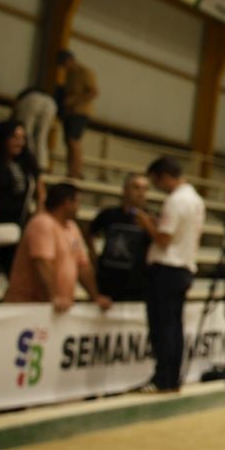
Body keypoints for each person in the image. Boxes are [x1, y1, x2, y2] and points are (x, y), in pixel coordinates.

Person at [144, 157, 205, 392]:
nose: (158, 187)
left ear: (165, 176)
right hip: (183, 267)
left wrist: (146, 223)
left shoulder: (176, 201)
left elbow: (163, 238)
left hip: (167, 268)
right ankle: (171, 378)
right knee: (174, 327)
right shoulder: (196, 200)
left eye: (157, 181)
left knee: (162, 327)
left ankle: (163, 378)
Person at [6, 183, 112, 313]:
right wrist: (54, 296)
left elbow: (82, 265)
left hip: (60, 305)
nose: (79, 207)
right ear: (67, 202)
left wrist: (95, 296)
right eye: (78, 202)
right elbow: (42, 263)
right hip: (30, 306)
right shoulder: (42, 223)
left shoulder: (72, 227)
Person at [0, 119, 43, 301]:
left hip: (17, 226)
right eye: (14, 137)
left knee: (18, 277)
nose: (19, 142)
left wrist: (38, 214)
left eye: (22, 138)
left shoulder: (26, 163)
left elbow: (39, 189)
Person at [88, 174, 154, 302]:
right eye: (136, 188)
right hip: (109, 279)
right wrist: (93, 254)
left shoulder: (151, 218)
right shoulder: (109, 214)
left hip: (137, 282)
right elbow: (90, 232)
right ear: (125, 190)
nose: (141, 193)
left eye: (145, 189)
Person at [55, 48, 99, 179]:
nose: (63, 67)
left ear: (69, 60)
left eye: (64, 64)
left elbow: (94, 92)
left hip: (81, 112)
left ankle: (76, 171)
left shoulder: (84, 72)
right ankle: (71, 170)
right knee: (68, 141)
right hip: (70, 112)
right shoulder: (69, 75)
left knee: (74, 140)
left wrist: (74, 100)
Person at [11, 84, 58, 171]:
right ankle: (42, 165)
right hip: (51, 102)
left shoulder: (24, 98)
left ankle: (27, 162)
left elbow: (14, 115)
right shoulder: (44, 96)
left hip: (32, 100)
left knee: (26, 133)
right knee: (42, 136)